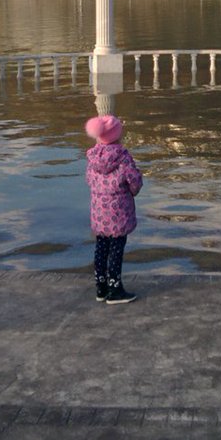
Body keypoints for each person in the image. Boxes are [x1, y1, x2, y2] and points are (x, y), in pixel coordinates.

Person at [84, 113, 144, 304]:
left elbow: (89, 180)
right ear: (117, 136)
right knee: (116, 249)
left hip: (100, 211)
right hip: (119, 212)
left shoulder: (92, 158)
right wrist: (133, 191)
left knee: (101, 247)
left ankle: (101, 287)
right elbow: (134, 181)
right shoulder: (123, 158)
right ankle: (115, 288)